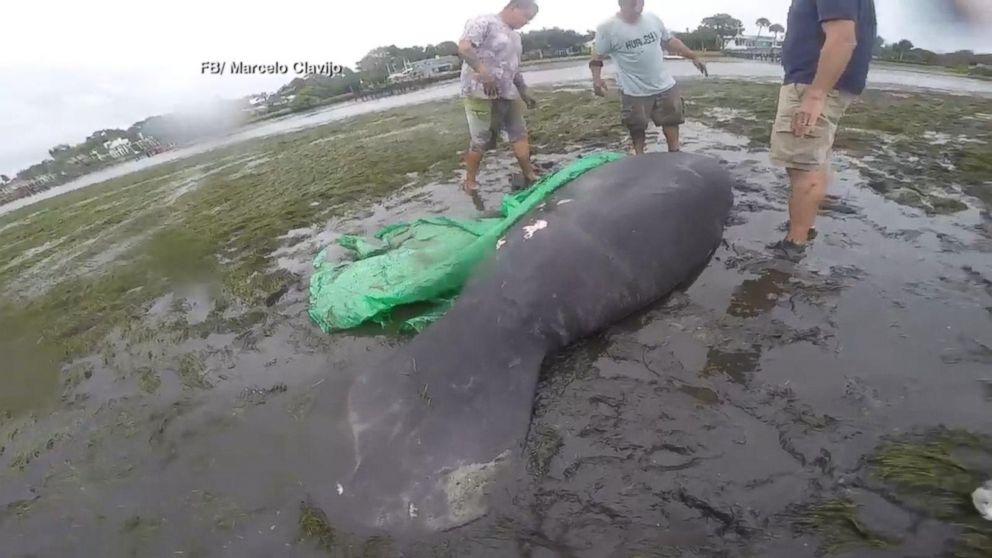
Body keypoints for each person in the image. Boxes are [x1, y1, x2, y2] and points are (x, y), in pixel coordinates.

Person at [768, 0, 877, 260]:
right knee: (814, 160)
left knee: (802, 167)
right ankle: (805, 227)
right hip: (820, 83)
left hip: (811, 84)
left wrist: (816, 94)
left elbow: (842, 38)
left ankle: (795, 243)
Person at [589, 0, 709, 155]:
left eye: (641, 3)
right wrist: (596, 80)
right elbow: (597, 56)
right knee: (637, 126)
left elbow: (669, 41)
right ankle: (639, 154)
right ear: (622, 3)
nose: (638, 8)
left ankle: (675, 151)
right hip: (634, 90)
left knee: (671, 121)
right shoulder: (607, 28)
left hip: (664, 84)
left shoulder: (652, 18)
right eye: (633, 4)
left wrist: (693, 56)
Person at [458, 0, 540, 193]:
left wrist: (524, 91)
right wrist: (483, 72)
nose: (526, 22)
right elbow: (464, 47)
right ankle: (469, 181)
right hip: (479, 92)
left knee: (519, 133)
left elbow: (514, 68)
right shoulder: (484, 22)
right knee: (481, 140)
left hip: (507, 93)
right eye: (526, 17)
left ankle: (529, 174)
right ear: (513, 8)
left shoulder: (516, 38)